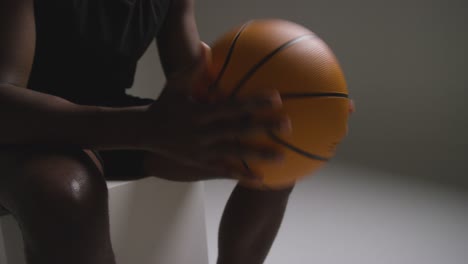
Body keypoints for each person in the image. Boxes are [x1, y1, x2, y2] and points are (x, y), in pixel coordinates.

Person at [0, 0, 354, 263]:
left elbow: (190, 78)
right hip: (26, 124)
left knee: (269, 148)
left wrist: (309, 114)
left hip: (112, 119)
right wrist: (144, 127)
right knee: (66, 191)